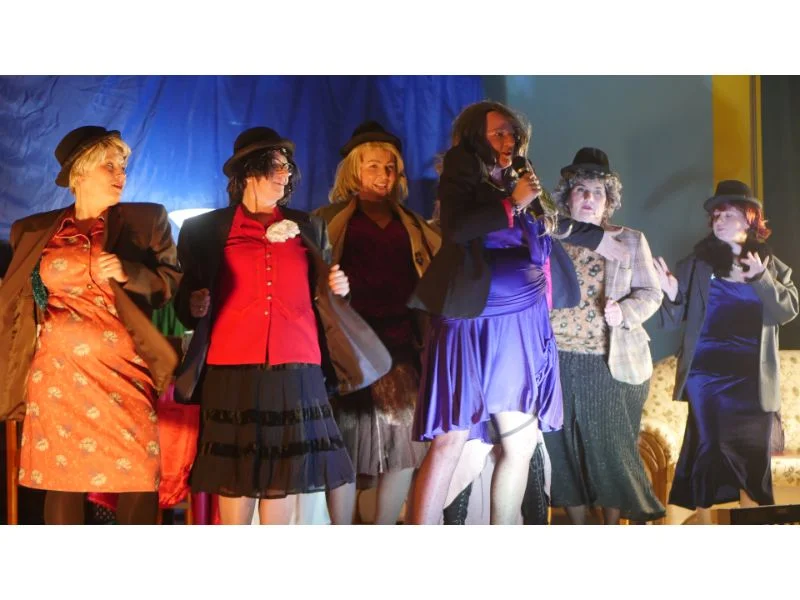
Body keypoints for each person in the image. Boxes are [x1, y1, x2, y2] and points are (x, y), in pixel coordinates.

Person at [407, 101, 627, 524]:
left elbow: (551, 222)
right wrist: (511, 203)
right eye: (499, 133)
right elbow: (457, 228)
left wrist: (597, 237)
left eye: (514, 133)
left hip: (520, 323)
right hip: (474, 322)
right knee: (452, 440)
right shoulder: (463, 171)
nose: (509, 140)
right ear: (476, 137)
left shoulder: (517, 176)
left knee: (521, 443)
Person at [174, 127, 368, 525]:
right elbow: (187, 297)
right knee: (236, 477)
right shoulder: (205, 230)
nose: (285, 174)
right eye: (275, 166)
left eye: (287, 167)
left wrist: (339, 289)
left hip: (298, 363)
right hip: (232, 365)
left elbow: (325, 294)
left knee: (284, 476)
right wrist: (193, 303)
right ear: (249, 171)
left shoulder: (308, 226)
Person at [0, 125, 181, 524]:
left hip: (124, 371)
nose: (121, 175)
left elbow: (170, 284)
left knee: (138, 471)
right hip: (57, 373)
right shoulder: (31, 230)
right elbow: (19, 297)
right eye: (109, 166)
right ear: (80, 172)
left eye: (123, 166)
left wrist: (129, 272)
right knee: (63, 476)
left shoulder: (146, 219)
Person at [314, 121, 440, 524]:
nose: (383, 175)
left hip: (401, 345)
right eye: (373, 166)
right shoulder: (327, 222)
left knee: (403, 446)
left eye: (389, 167)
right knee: (345, 443)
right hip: (348, 348)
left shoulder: (414, 226)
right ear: (355, 169)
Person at [654, 179, 798, 523]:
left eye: (728, 214)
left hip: (753, 379)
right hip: (707, 376)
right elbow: (673, 319)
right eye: (716, 215)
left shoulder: (772, 267)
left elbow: (787, 311)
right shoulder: (695, 265)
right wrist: (671, 294)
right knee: (707, 453)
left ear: (749, 218)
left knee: (753, 459)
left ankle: (753, 530)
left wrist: (762, 279)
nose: (719, 220)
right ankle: (705, 529)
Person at [543, 147, 665, 524]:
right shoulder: (551, 237)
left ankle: (611, 528)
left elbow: (651, 292)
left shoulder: (630, 240)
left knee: (611, 453)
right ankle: (579, 525)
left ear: (608, 201)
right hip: (555, 361)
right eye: (581, 190)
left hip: (609, 364)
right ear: (567, 197)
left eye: (598, 192)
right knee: (559, 449)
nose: (589, 198)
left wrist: (624, 312)